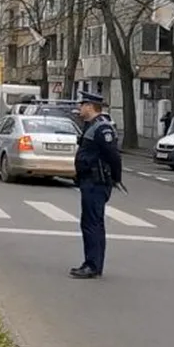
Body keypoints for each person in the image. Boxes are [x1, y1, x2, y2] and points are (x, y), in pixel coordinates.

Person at [72, 91, 122, 279]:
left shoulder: (102, 128)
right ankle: (94, 264)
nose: (79, 108)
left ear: (91, 107)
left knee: (92, 224)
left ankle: (92, 265)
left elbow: (113, 156)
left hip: (96, 182)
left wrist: (116, 178)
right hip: (90, 181)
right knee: (93, 223)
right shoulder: (91, 126)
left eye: (82, 105)